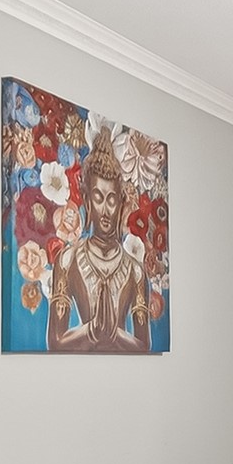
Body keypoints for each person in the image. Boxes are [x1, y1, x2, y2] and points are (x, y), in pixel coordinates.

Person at [48, 135, 149, 353]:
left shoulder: (135, 271)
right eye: (98, 198)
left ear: (121, 204)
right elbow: (55, 340)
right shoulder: (67, 260)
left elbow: (144, 346)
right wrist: (92, 331)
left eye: (112, 200)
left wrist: (116, 335)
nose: (105, 210)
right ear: (87, 201)